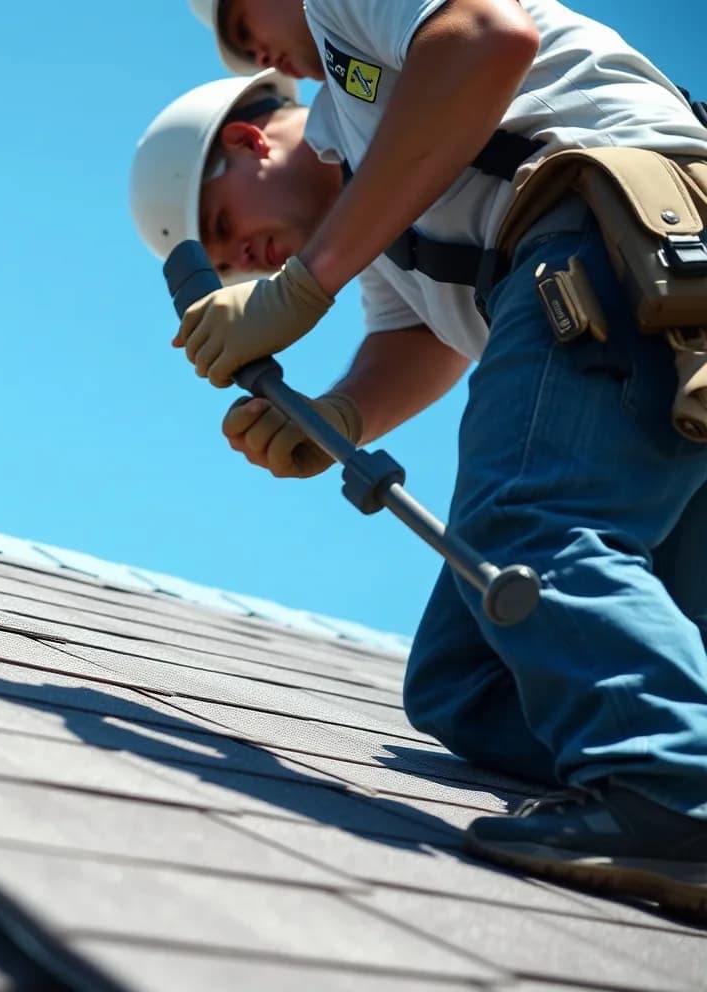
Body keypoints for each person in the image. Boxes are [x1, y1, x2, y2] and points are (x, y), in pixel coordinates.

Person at [129, 0, 707, 917]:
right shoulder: (385, 185)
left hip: (619, 226)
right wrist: (340, 414)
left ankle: (678, 798)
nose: (247, 258)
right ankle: (672, 751)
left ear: (245, 142)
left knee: (530, 534)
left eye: (227, 229)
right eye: (235, 264)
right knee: (464, 676)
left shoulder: (346, 18)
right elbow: (422, 340)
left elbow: (485, 38)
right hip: (647, 276)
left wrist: (302, 284)